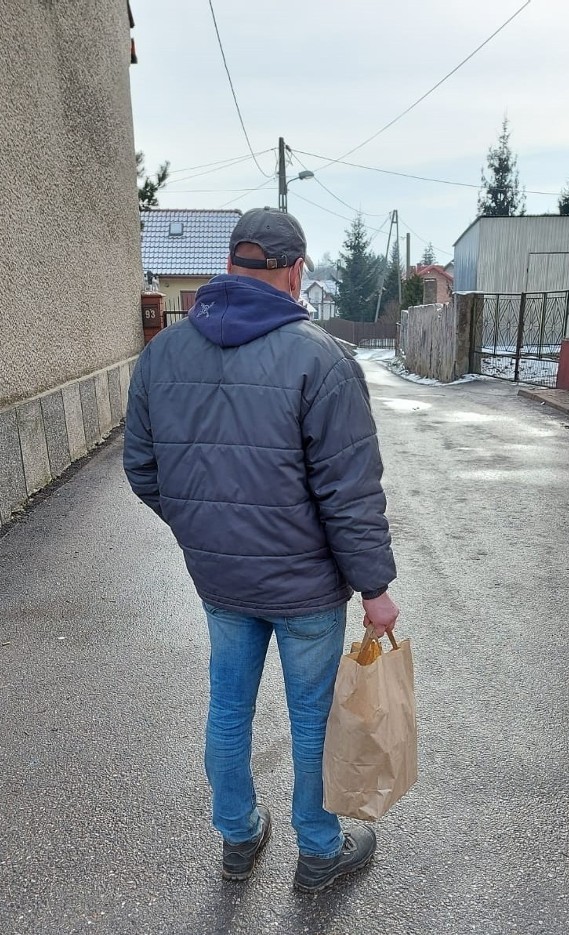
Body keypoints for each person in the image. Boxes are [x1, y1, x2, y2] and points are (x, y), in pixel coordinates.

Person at [123, 207, 398, 893]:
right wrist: (376, 587)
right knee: (311, 718)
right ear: (296, 269)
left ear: (229, 263)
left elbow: (142, 467)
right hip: (307, 588)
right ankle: (318, 850)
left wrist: (203, 529)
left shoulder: (163, 353)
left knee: (227, 706)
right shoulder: (322, 359)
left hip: (221, 582)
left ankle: (239, 836)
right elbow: (349, 491)